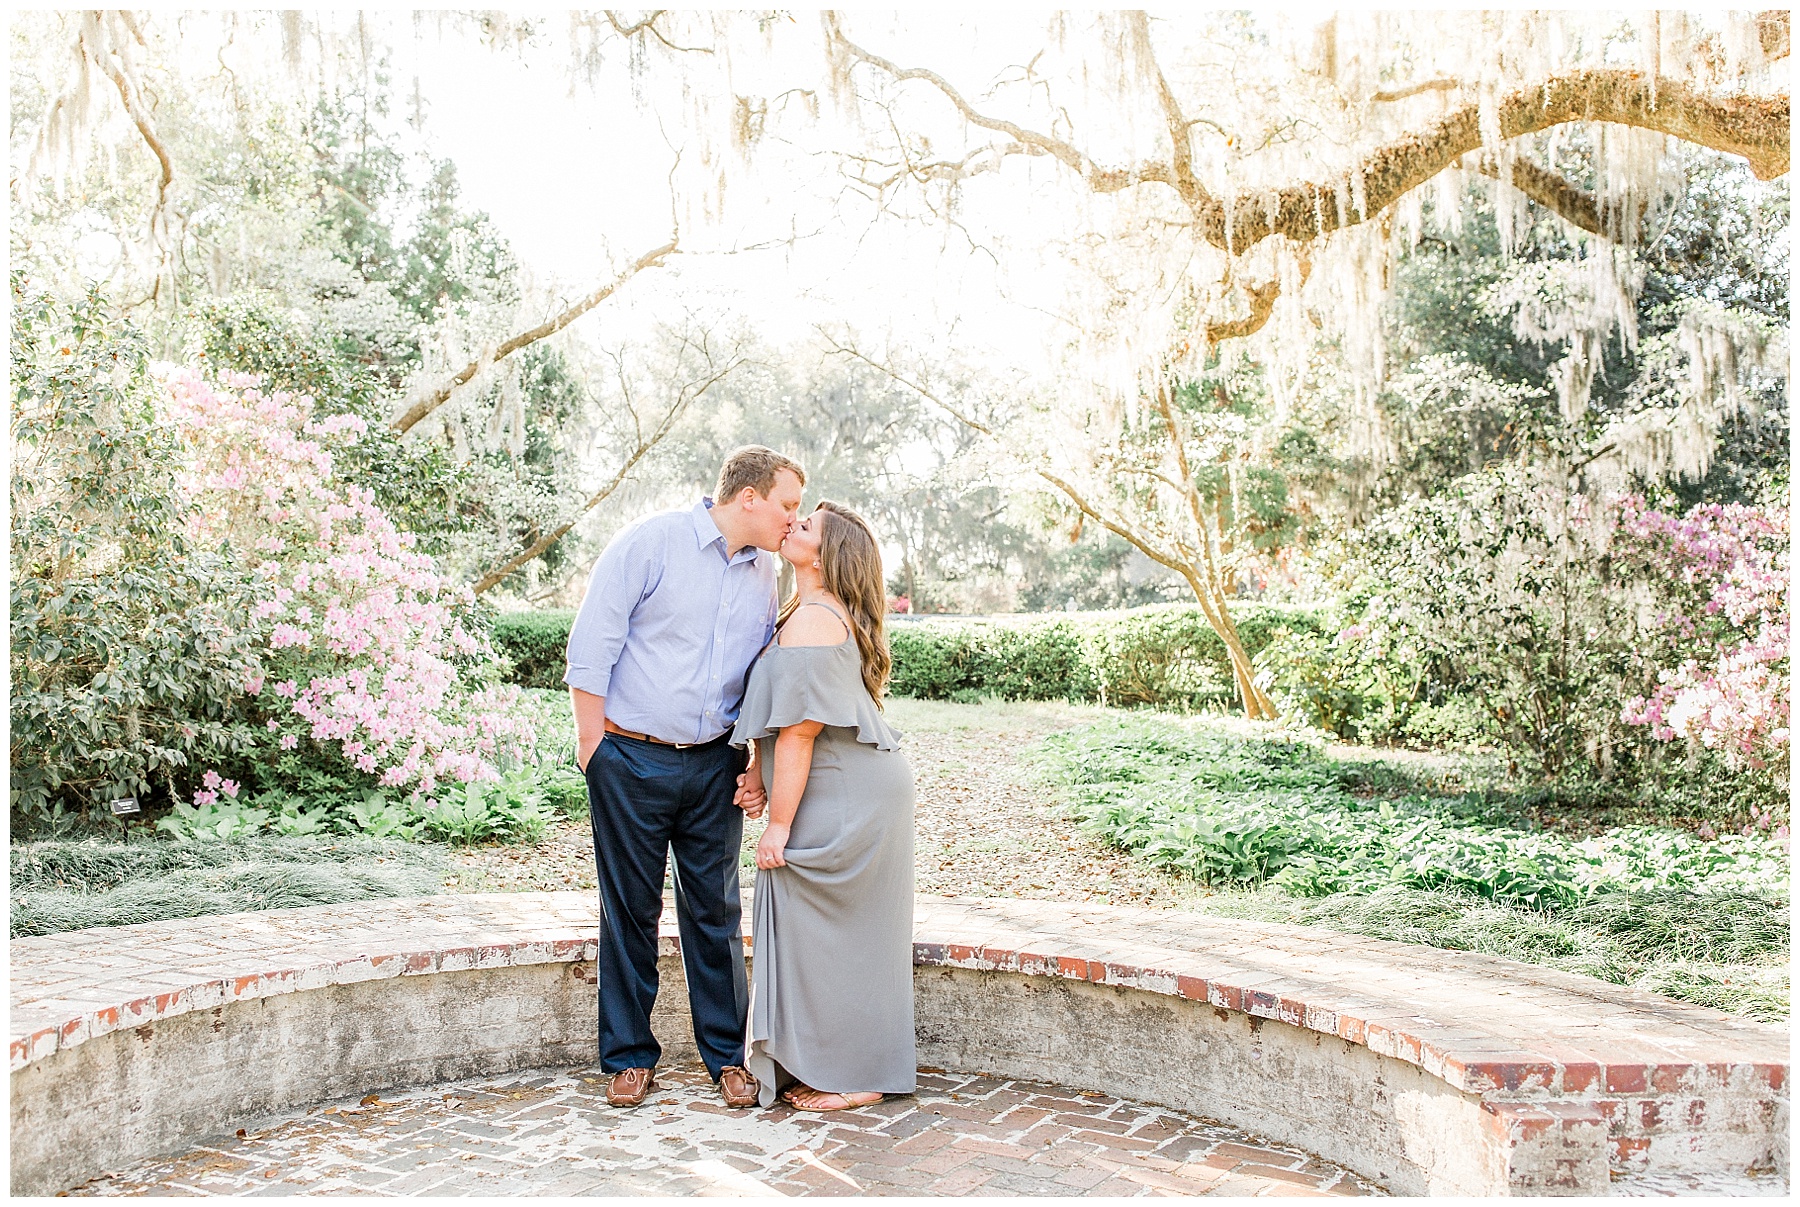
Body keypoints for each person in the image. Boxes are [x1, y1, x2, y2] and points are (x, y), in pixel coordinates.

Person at [564, 446, 805, 1110]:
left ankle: (729, 1057)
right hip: (630, 758)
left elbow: (761, 674)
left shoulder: (767, 575)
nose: (794, 518)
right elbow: (593, 643)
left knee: (715, 912)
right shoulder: (652, 542)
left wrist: (754, 758)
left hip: (714, 765)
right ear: (749, 497)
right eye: (788, 504)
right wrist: (596, 751)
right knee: (630, 910)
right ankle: (628, 1057)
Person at [731, 501, 917, 1111]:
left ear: (829, 554)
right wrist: (757, 771)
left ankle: (859, 1076)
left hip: (846, 795)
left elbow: (801, 731)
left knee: (846, 937)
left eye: (805, 526)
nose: (792, 526)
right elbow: (780, 710)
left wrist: (777, 825)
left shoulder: (815, 618)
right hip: (835, 785)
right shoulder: (803, 611)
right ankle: (834, 1063)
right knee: (826, 935)